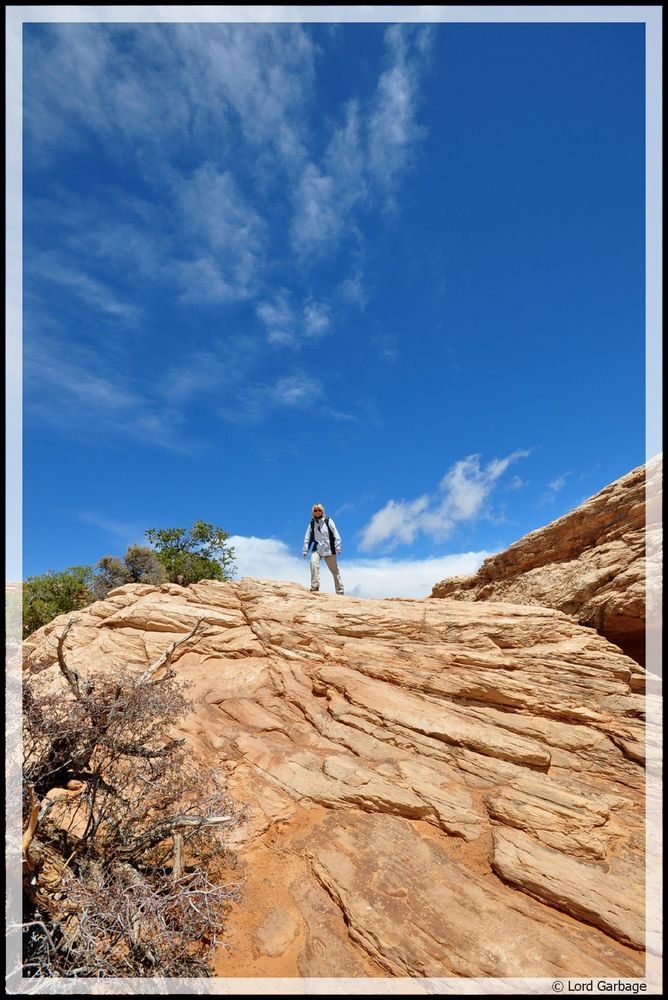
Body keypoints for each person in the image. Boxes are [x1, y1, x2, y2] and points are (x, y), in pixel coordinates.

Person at [302, 503, 344, 594]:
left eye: (319, 510)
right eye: (315, 510)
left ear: (322, 511)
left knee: (334, 570)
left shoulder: (328, 521)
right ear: (313, 512)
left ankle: (340, 591)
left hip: (329, 549)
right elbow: (307, 537)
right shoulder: (312, 524)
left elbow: (336, 533)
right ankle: (315, 586)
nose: (317, 512)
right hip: (318, 549)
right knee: (313, 563)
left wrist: (338, 546)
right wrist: (305, 550)